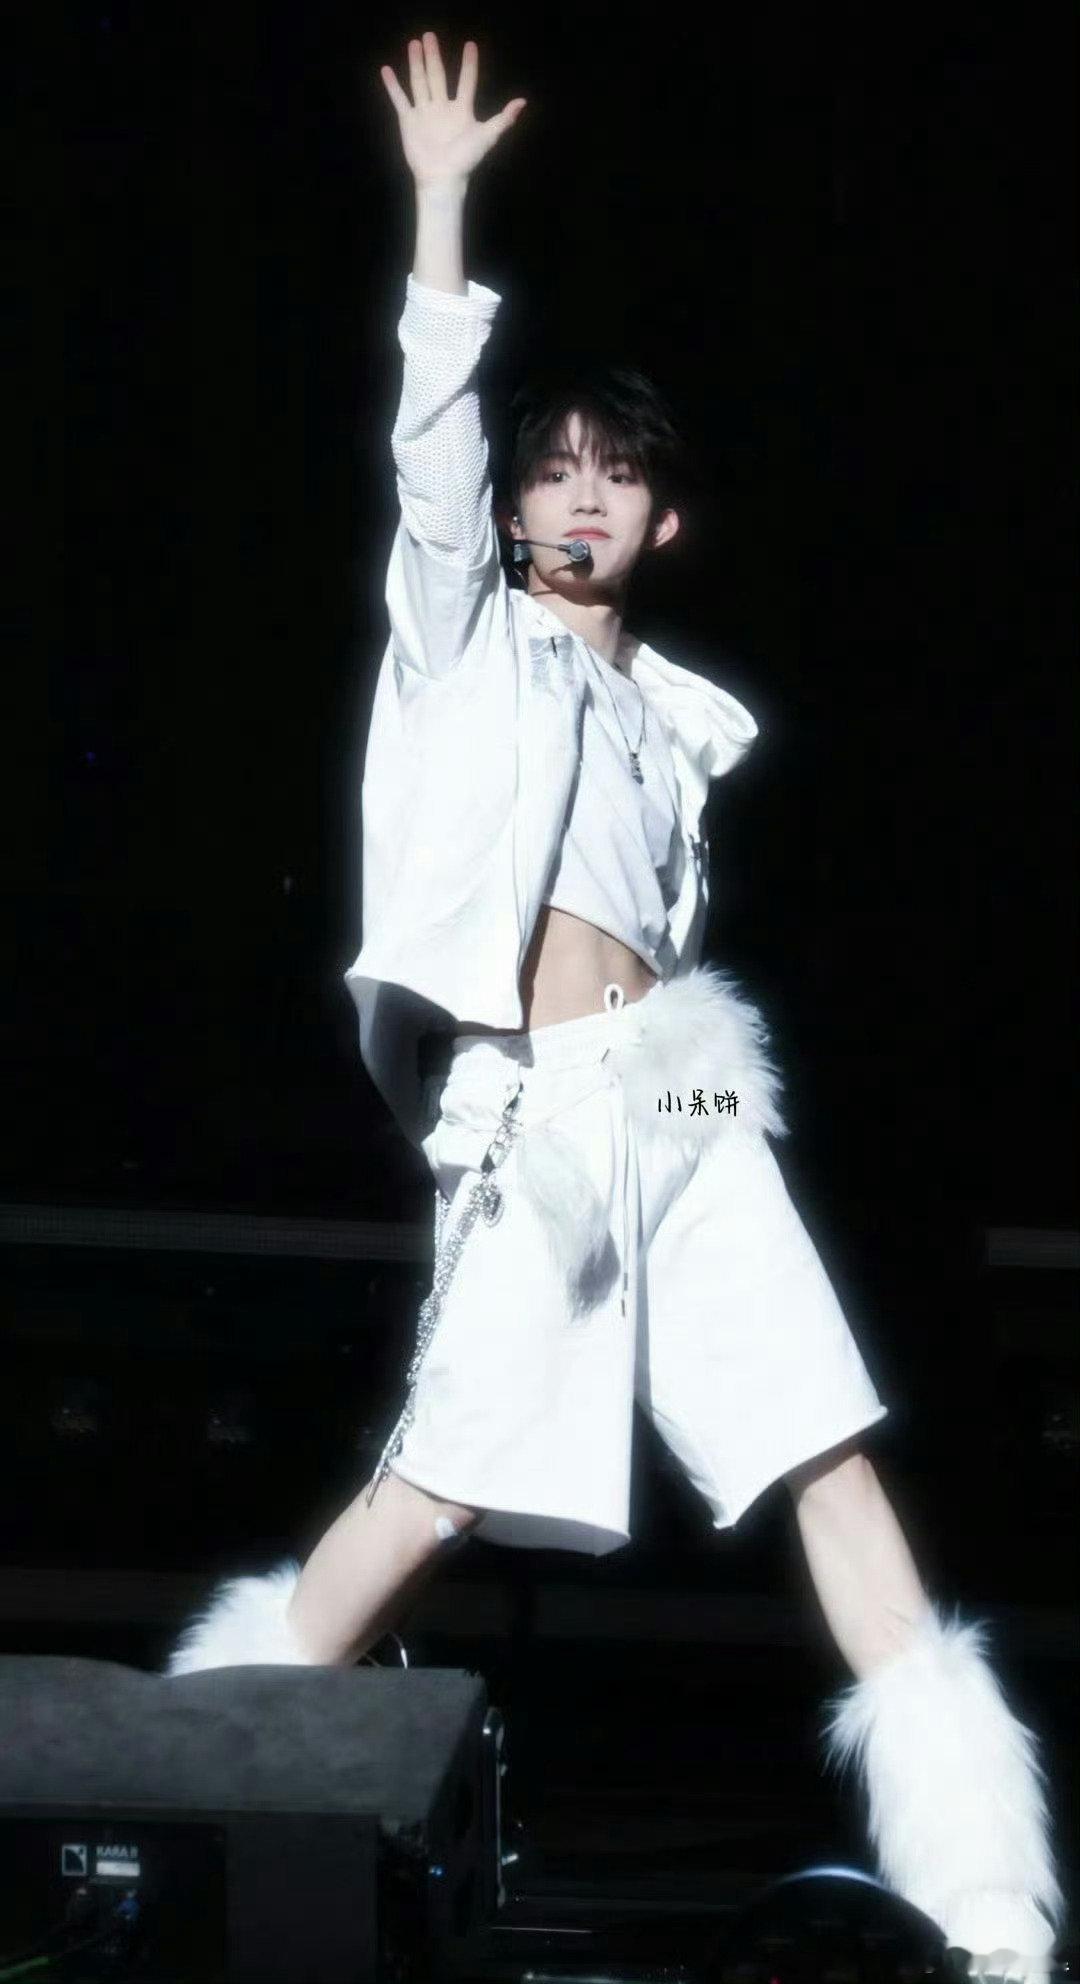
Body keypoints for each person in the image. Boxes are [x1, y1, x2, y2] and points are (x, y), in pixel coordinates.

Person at [162, 33, 1066, 1979]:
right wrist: (438, 210)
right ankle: (187, 1807)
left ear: (663, 522)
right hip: (541, 1109)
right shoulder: (464, 636)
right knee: (439, 1487)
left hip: (690, 1101)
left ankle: (990, 1904)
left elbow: (664, 920)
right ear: (515, 512)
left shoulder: (675, 727)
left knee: (830, 1450)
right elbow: (428, 444)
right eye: (554, 470)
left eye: (617, 473)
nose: (579, 495)